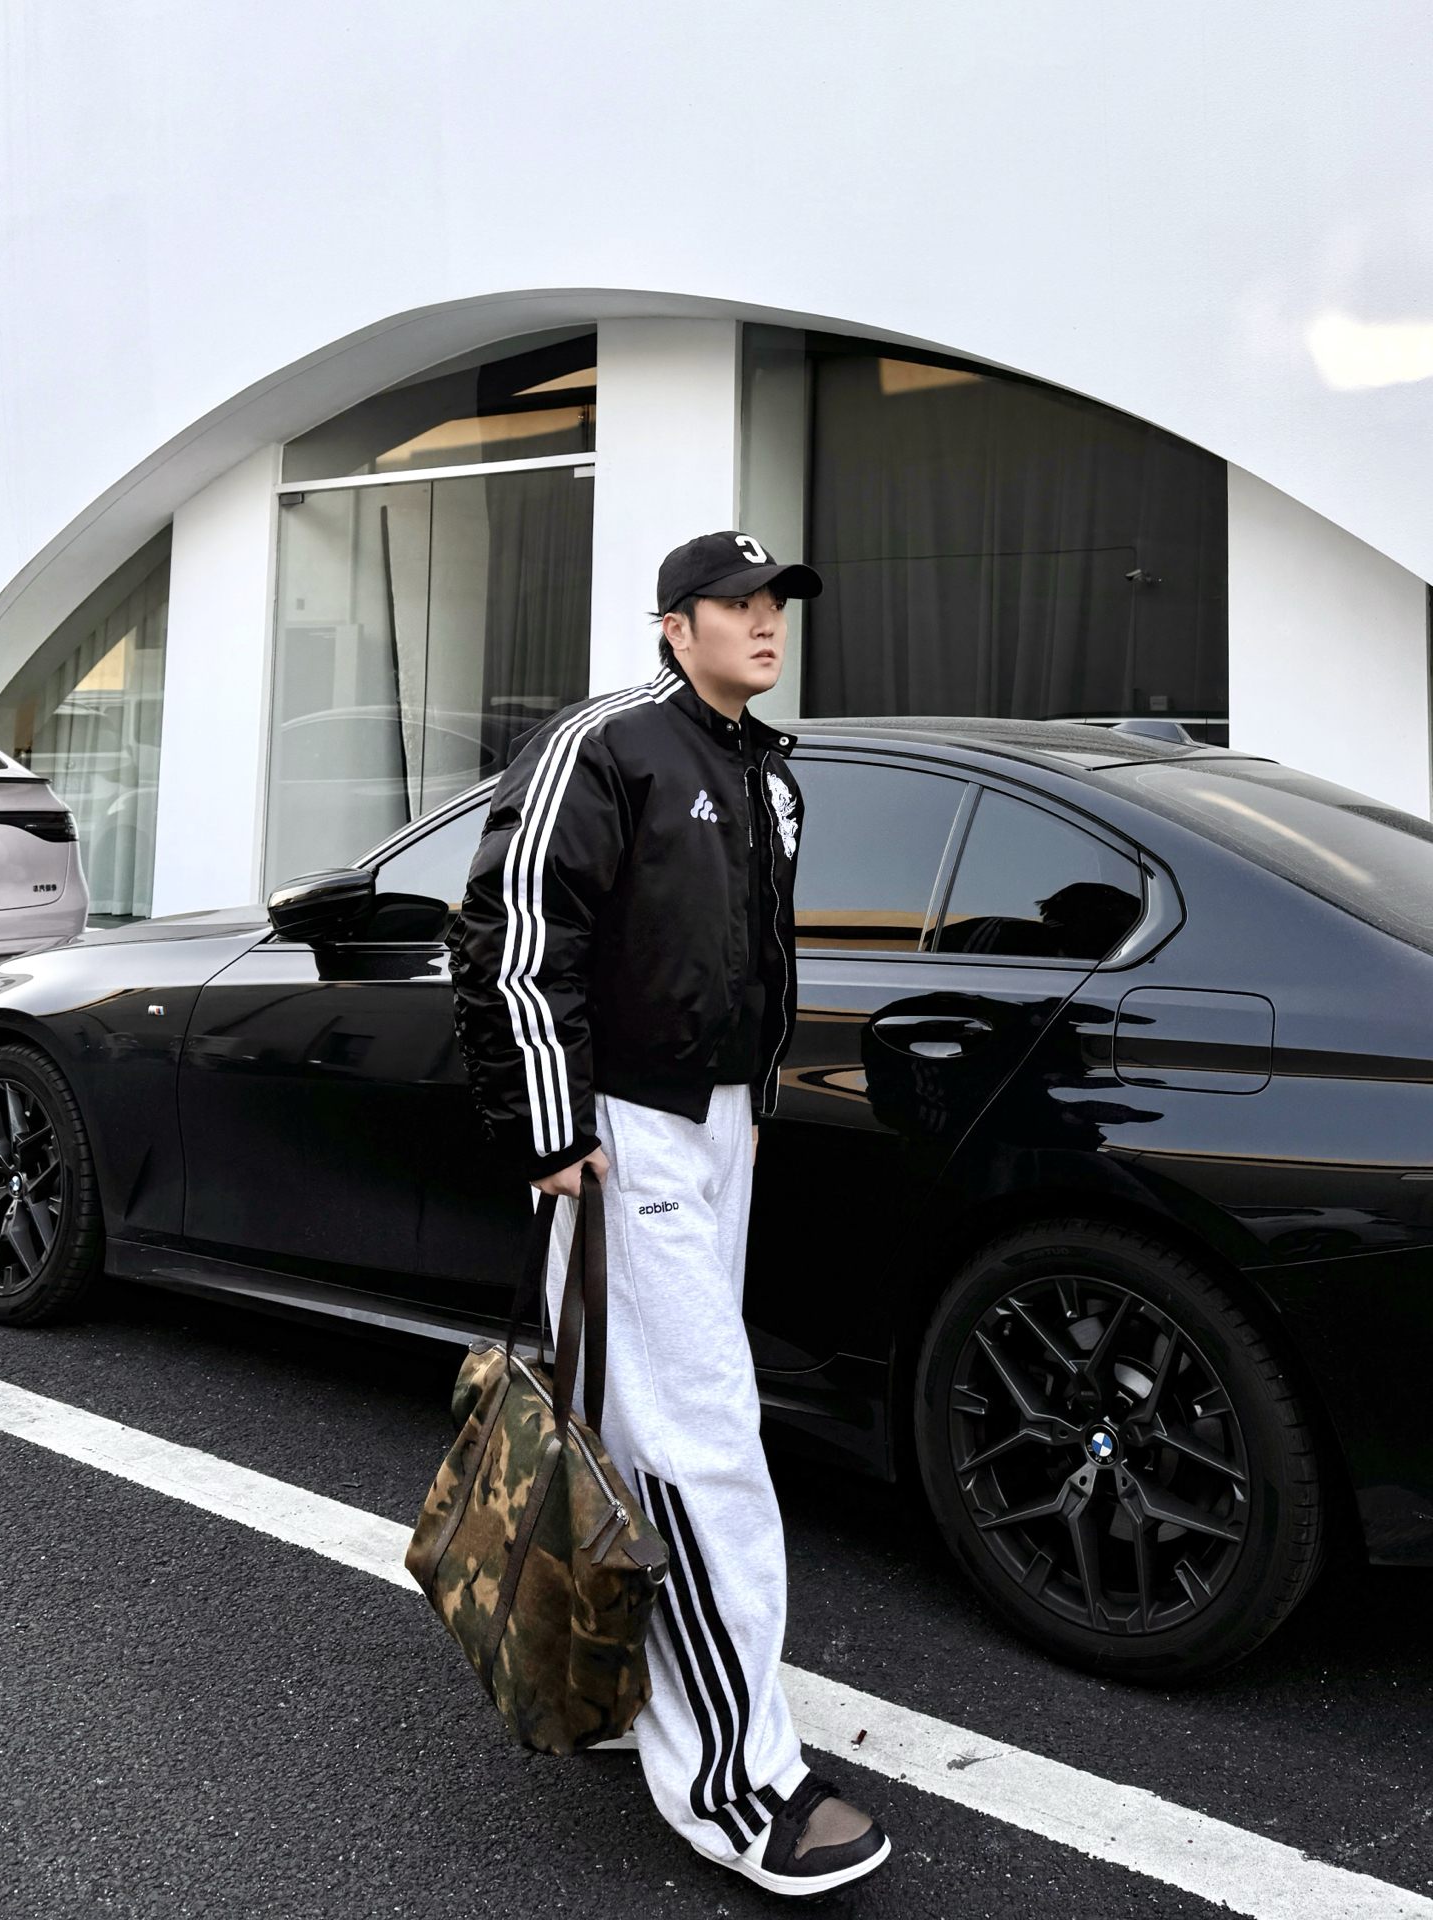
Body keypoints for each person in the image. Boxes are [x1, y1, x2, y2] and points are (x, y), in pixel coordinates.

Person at [447, 531, 892, 1895]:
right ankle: (736, 1781)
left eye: (777, 605)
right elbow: (513, 938)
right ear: (672, 624)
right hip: (626, 1132)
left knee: (638, 1425)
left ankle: (610, 1673)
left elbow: (756, 956)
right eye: (736, 604)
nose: (766, 624)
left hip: (715, 1127)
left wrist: (749, 1098)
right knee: (700, 1435)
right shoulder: (609, 746)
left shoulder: (765, 770)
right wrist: (555, 1127)